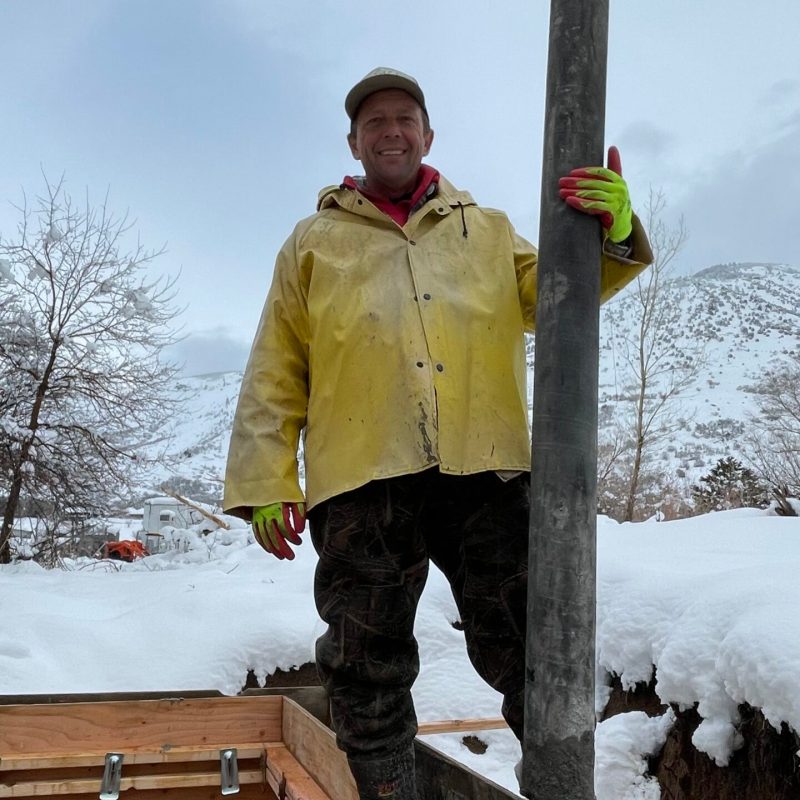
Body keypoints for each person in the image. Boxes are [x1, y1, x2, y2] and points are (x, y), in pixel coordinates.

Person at [224, 67, 653, 800]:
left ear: (428, 134)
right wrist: (267, 481)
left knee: (525, 639)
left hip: (482, 469)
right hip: (362, 477)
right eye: (374, 122)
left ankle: (555, 783)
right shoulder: (313, 242)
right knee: (366, 655)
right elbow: (276, 365)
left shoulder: (482, 229)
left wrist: (609, 236)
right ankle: (387, 793)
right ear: (354, 142)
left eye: (405, 118)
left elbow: (555, 296)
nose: (391, 130)